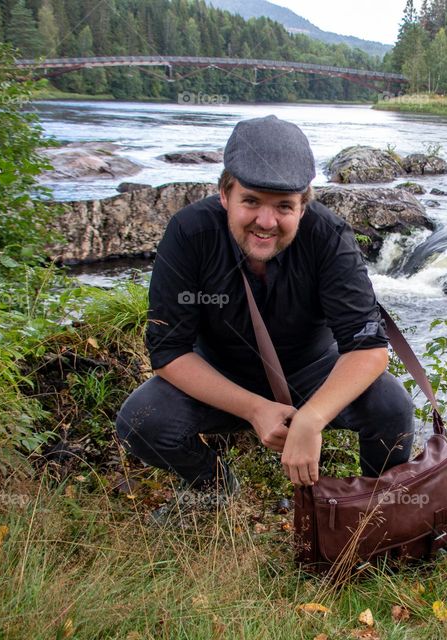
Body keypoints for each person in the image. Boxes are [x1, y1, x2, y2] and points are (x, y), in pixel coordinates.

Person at [115, 115, 416, 514]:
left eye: (284, 207)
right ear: (225, 193)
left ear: (304, 202)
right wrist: (255, 409)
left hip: (314, 372)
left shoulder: (330, 237)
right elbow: (168, 351)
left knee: (391, 406)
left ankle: (373, 513)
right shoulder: (190, 233)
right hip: (219, 375)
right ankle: (215, 488)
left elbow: (369, 350)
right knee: (141, 421)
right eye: (252, 201)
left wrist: (312, 418)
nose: (266, 222)